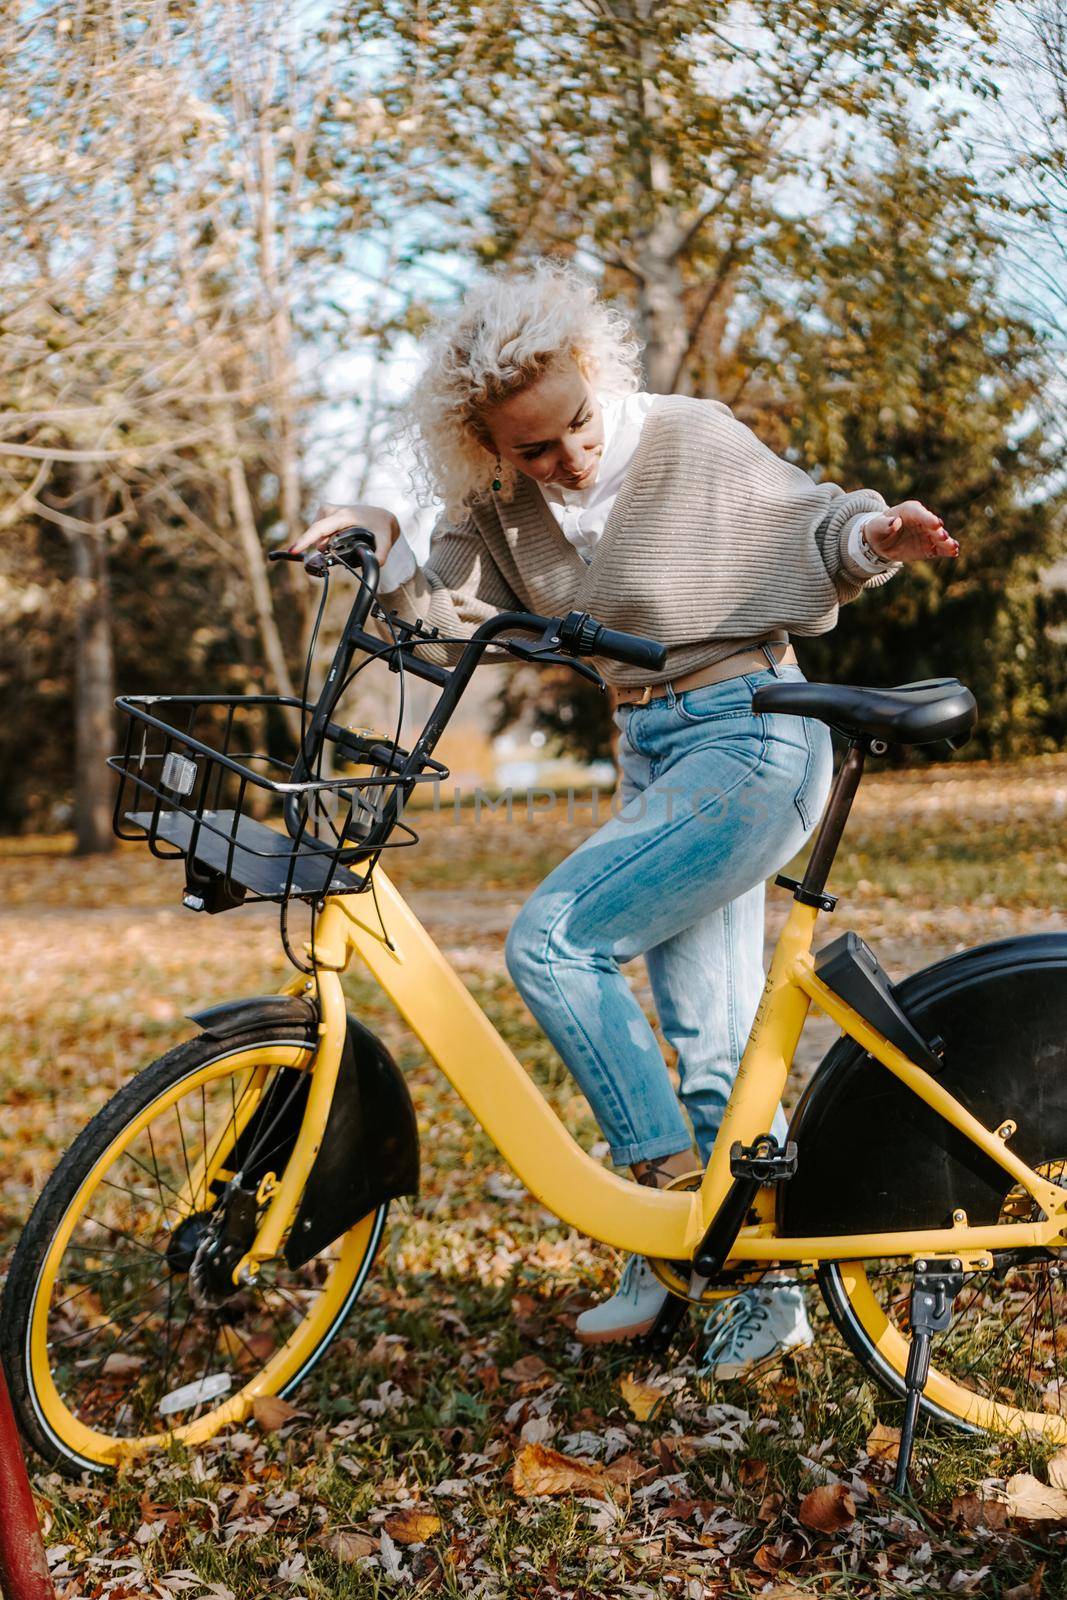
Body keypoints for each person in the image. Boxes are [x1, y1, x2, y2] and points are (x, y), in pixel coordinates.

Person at [292, 259, 959, 1374]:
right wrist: (375, 517)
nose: (568, 457)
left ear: (593, 376)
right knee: (707, 1046)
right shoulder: (501, 508)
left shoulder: (691, 438)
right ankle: (736, 1270)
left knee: (554, 943)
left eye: (575, 424)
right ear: (488, 447)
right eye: (532, 448)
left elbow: (810, 523)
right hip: (651, 751)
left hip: (754, 731)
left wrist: (876, 537)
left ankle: (652, 1216)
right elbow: (436, 600)